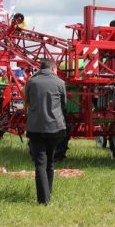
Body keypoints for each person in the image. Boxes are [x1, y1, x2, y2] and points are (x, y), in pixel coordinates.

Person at [24, 59, 67, 205]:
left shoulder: (31, 82)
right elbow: (63, 105)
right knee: (50, 162)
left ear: (40, 68)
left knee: (40, 163)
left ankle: (43, 200)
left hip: (35, 128)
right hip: (55, 128)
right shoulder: (60, 83)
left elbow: (27, 102)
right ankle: (48, 195)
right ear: (53, 69)